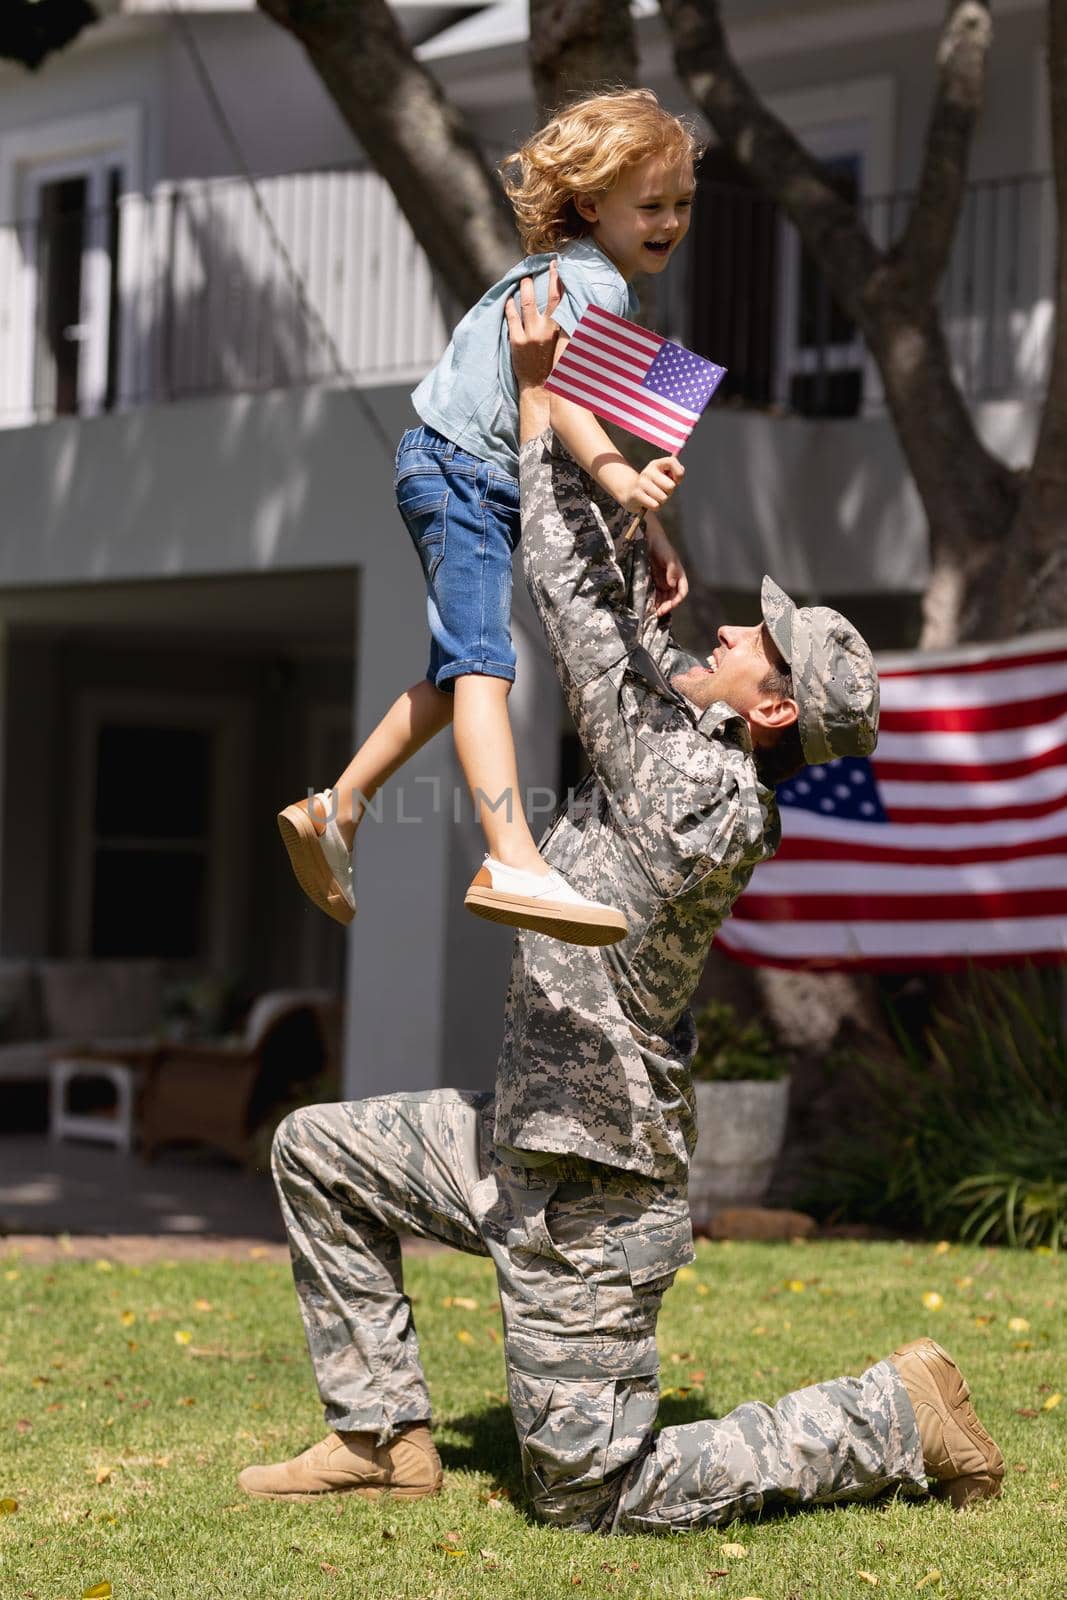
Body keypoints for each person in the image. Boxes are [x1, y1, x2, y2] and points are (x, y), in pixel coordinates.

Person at [238, 273, 1003, 1529]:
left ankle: (889, 1414)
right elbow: (635, 650)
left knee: (593, 1489)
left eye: (754, 643)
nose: (729, 632)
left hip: (588, 1190)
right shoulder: (702, 754)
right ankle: (377, 1435)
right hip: (524, 1136)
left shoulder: (694, 789)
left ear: (769, 710)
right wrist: (632, 518)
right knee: (318, 1153)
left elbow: (572, 616)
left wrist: (542, 400)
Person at [277, 88, 697, 949]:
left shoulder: (579, 278)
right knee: (484, 665)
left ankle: (336, 808)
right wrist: (623, 487)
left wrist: (646, 530)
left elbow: (599, 415)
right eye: (650, 206)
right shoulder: (592, 286)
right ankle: (510, 853)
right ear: (591, 205)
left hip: (451, 467)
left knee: (452, 674)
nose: (669, 223)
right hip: (464, 473)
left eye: (682, 204)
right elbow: (573, 409)